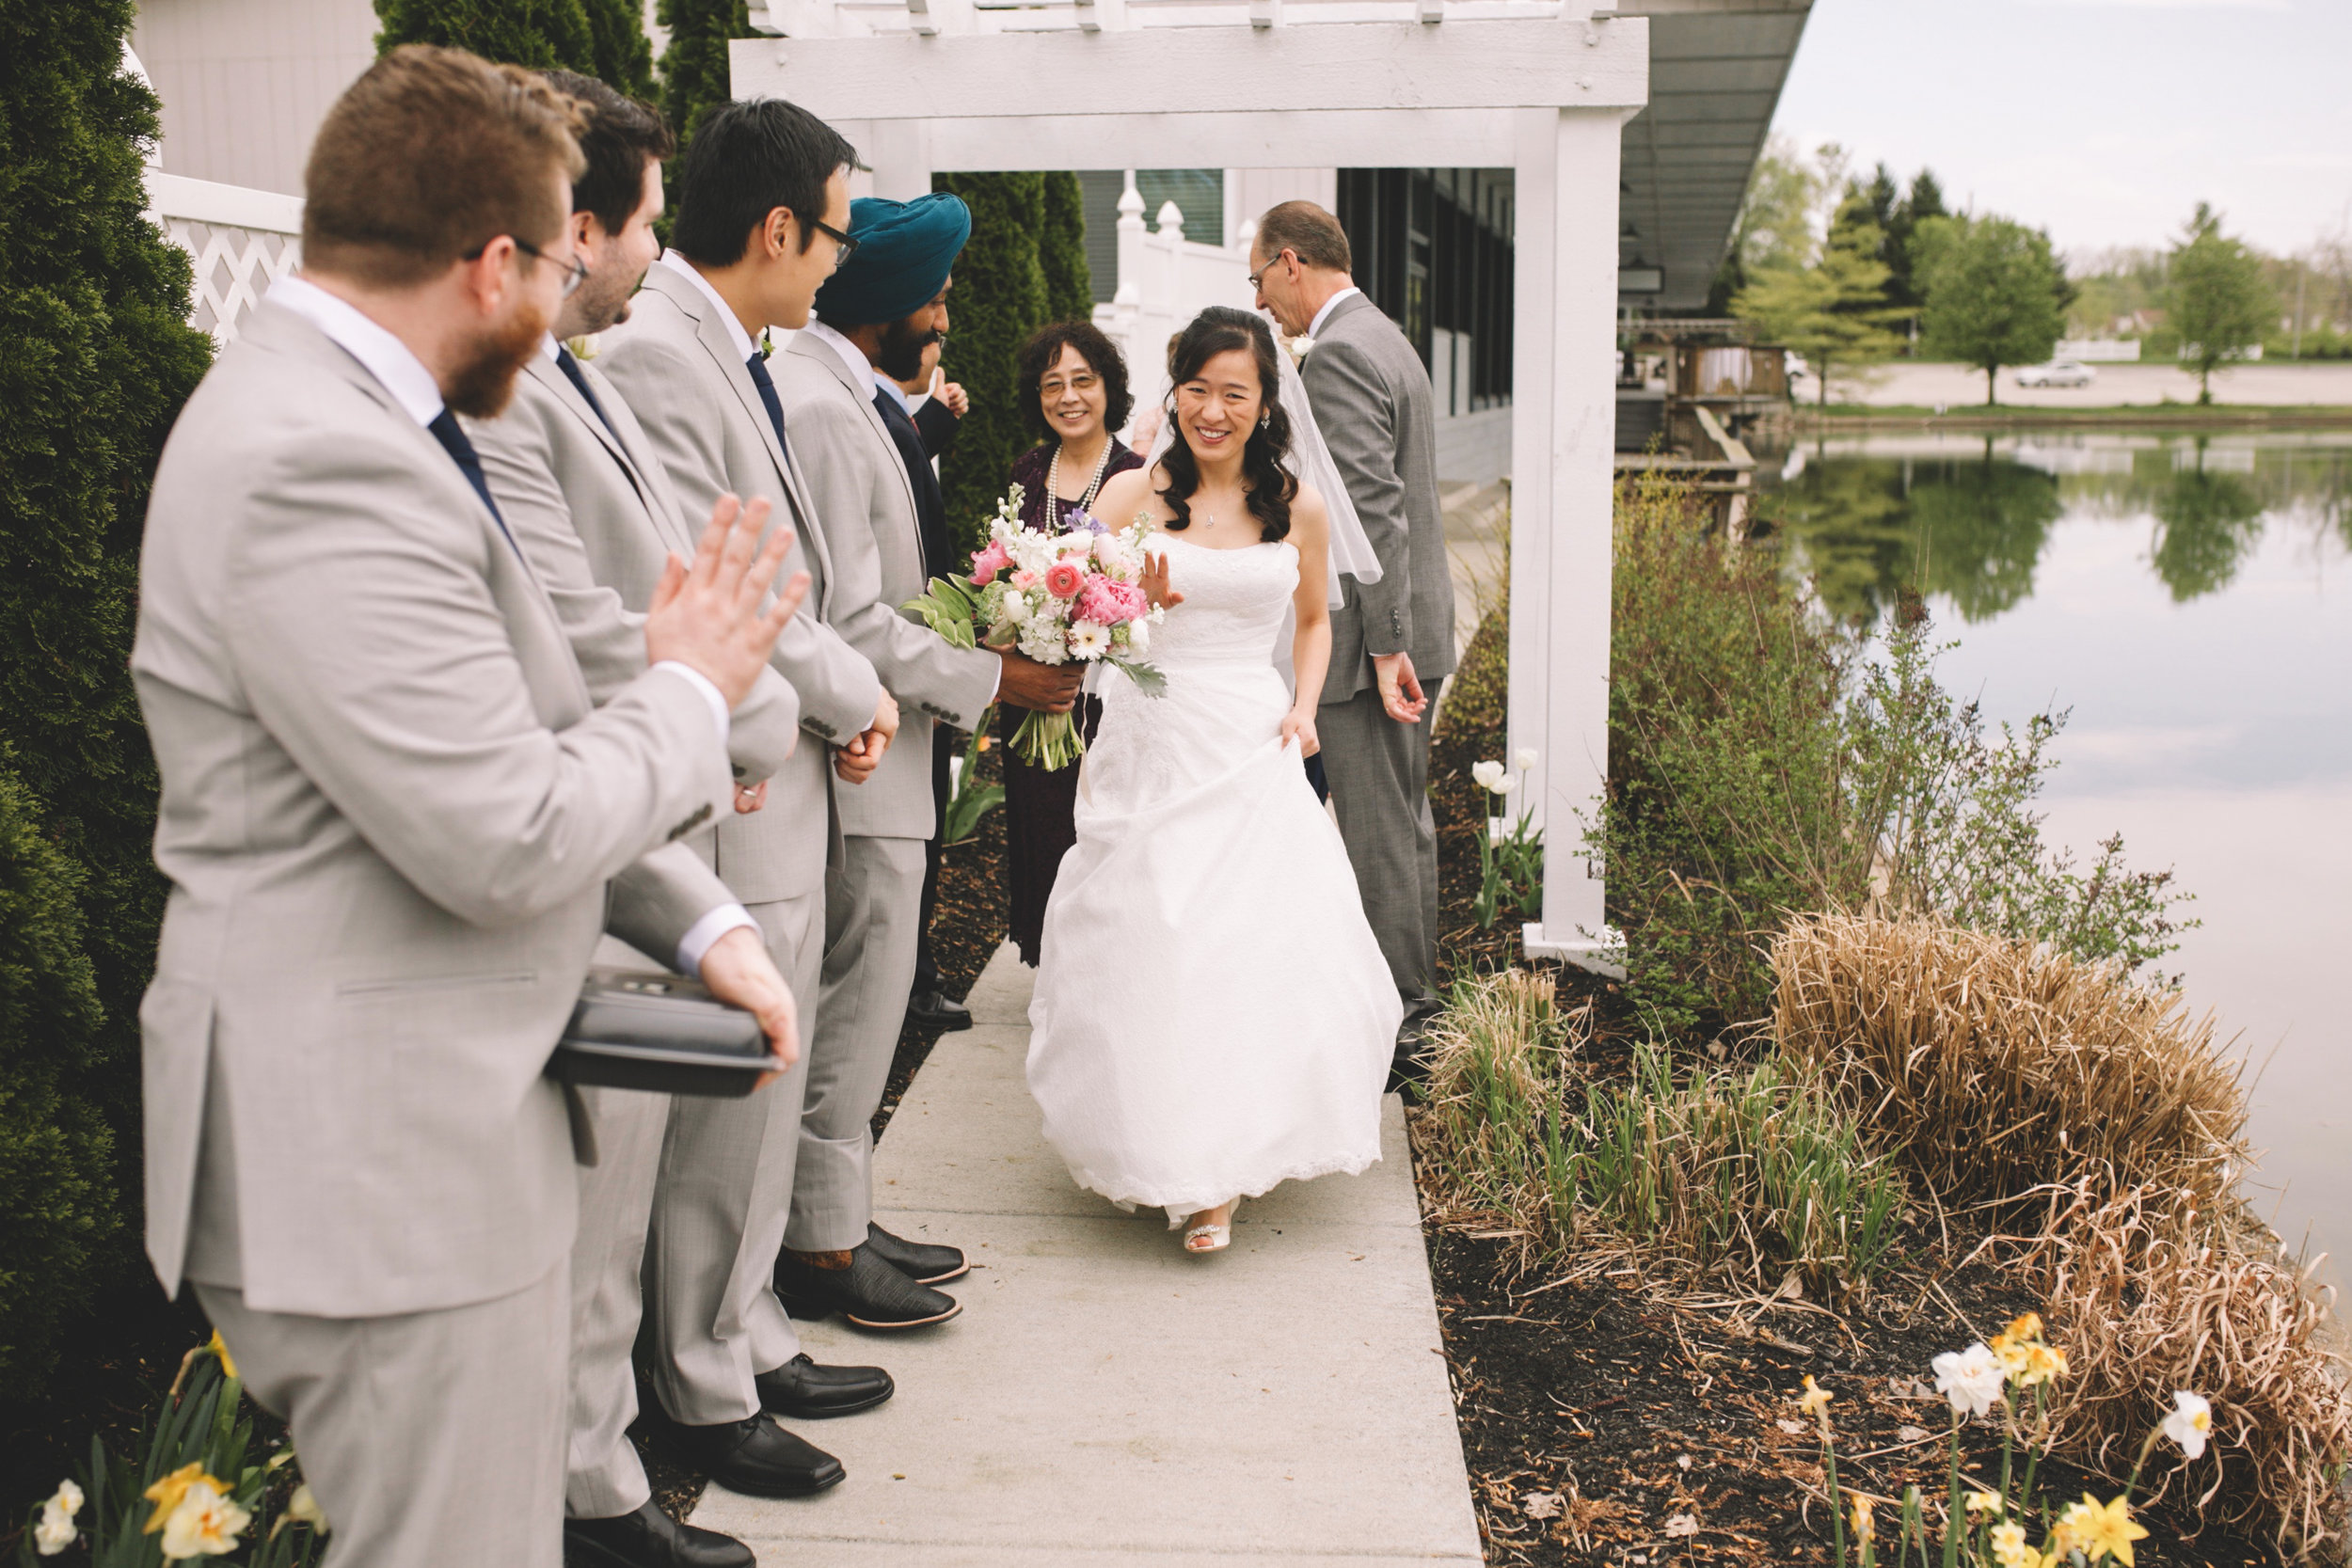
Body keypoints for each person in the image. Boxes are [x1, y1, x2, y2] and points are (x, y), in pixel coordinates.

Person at [132, 48, 805, 1568]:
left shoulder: (362, 424)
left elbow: (507, 741)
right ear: (493, 261)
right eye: (566, 260)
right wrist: (692, 688)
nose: (573, 299)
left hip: (406, 1152)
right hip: (388, 1178)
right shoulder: (321, 461)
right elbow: (502, 827)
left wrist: (701, 922)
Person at [462, 73, 888, 1567]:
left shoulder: (600, 367)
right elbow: (650, 606)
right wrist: (742, 718)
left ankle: (668, 1399)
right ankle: (607, 1464)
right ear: (575, 229)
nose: (638, 259)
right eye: (630, 226)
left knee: (670, 1151)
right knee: (617, 1178)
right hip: (641, 809)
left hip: (684, 780)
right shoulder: (620, 366)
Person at [596, 97, 899, 1494]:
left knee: (758, 1098)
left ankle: (746, 1324)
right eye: (834, 232)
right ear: (779, 227)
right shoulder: (664, 359)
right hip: (739, 778)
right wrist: (855, 694)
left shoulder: (727, 349)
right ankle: (704, 1378)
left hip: (779, 759)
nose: (839, 262)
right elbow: (739, 596)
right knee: (729, 1093)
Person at [769, 193, 1083, 1326]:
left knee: (866, 999)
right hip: (859, 759)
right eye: (937, 296)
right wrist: (1002, 679)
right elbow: (850, 620)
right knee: (856, 1000)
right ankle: (817, 1247)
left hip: (892, 753)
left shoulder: (857, 397)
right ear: (890, 305)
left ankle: (836, 1213)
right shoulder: (819, 407)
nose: (946, 314)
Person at [1025, 308, 1402, 1254]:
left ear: (1266, 401)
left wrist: (1305, 705)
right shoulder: (1129, 496)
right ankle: (1156, 1134)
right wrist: (1123, 610)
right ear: (1173, 390)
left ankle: (1219, 1172)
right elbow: (1060, 614)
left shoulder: (1298, 503)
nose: (1212, 409)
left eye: (1234, 392)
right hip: (1151, 741)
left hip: (1248, 736)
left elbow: (1314, 621)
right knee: (1155, 940)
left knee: (1243, 946)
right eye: (1197, 388)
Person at [1249, 200, 1455, 1094]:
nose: (1260, 302)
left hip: (1381, 648)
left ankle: (1403, 1023)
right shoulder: (1387, 336)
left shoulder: (1335, 352)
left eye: (1258, 279)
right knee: (1402, 825)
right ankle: (1419, 1004)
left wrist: (1382, 650)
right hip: (1412, 629)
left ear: (1291, 262)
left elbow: (1372, 511)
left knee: (1379, 834)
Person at [997, 321, 1145, 966]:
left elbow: (1145, 586)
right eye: (1052, 384)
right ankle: (1052, 968)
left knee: (1101, 834)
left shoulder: (1139, 477)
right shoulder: (1027, 471)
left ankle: (1103, 969)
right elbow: (1001, 571)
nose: (1069, 397)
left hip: (1110, 699)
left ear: (1109, 387)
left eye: (1083, 380)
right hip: (1035, 693)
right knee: (1041, 828)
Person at [898, 335, 973, 1033]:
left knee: (927, 834)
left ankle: (913, 975)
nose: (943, 326)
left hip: (922, 669)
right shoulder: (848, 403)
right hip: (898, 674)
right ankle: (909, 983)